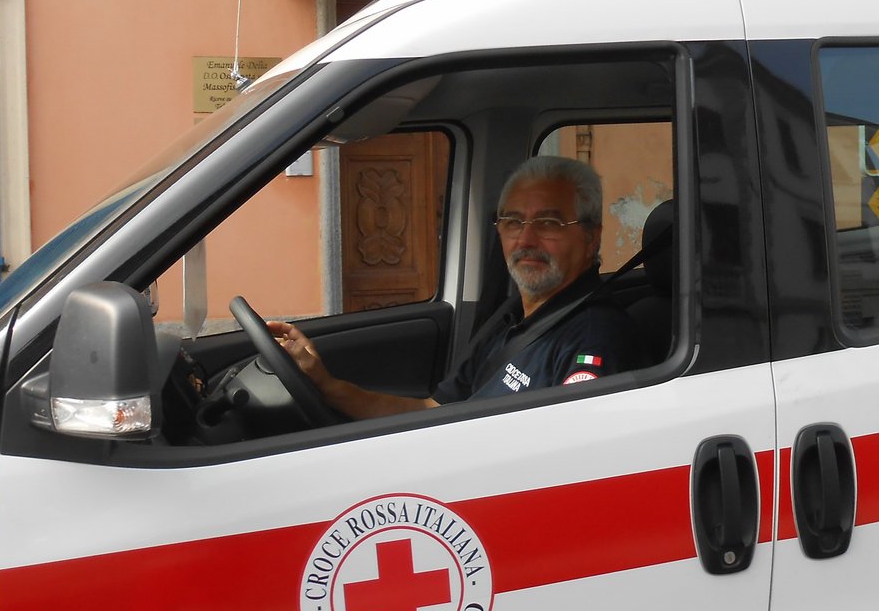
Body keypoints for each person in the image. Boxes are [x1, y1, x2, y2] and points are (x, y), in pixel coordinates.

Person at [268, 155, 641, 419]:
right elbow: (435, 412)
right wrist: (327, 385)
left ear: (592, 238)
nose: (526, 238)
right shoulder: (512, 316)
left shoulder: (595, 341)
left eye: (549, 222)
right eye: (512, 220)